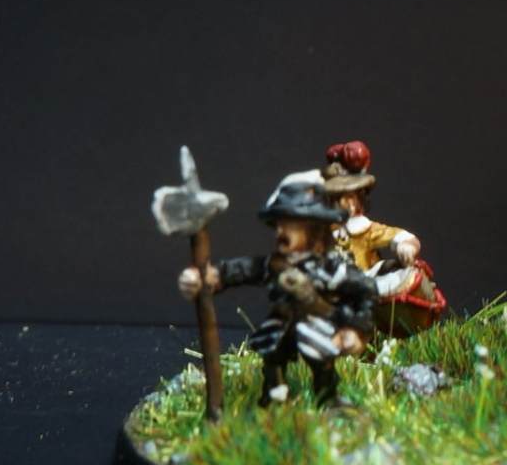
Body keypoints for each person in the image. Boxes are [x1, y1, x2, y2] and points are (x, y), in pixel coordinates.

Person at [178, 172, 377, 406]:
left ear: (313, 229)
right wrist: (209, 276)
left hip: (318, 322)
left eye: (290, 226)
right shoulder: (274, 264)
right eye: (279, 225)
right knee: (272, 355)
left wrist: (355, 328)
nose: (281, 232)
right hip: (282, 322)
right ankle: (274, 395)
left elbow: (366, 290)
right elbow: (243, 269)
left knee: (321, 359)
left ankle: (327, 399)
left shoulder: (333, 267)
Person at [317, 140, 446, 338]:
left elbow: (400, 236)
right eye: (337, 198)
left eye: (350, 197)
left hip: (363, 292)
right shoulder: (320, 233)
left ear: (359, 200)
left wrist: (406, 246)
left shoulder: (364, 230)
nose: (345, 204)